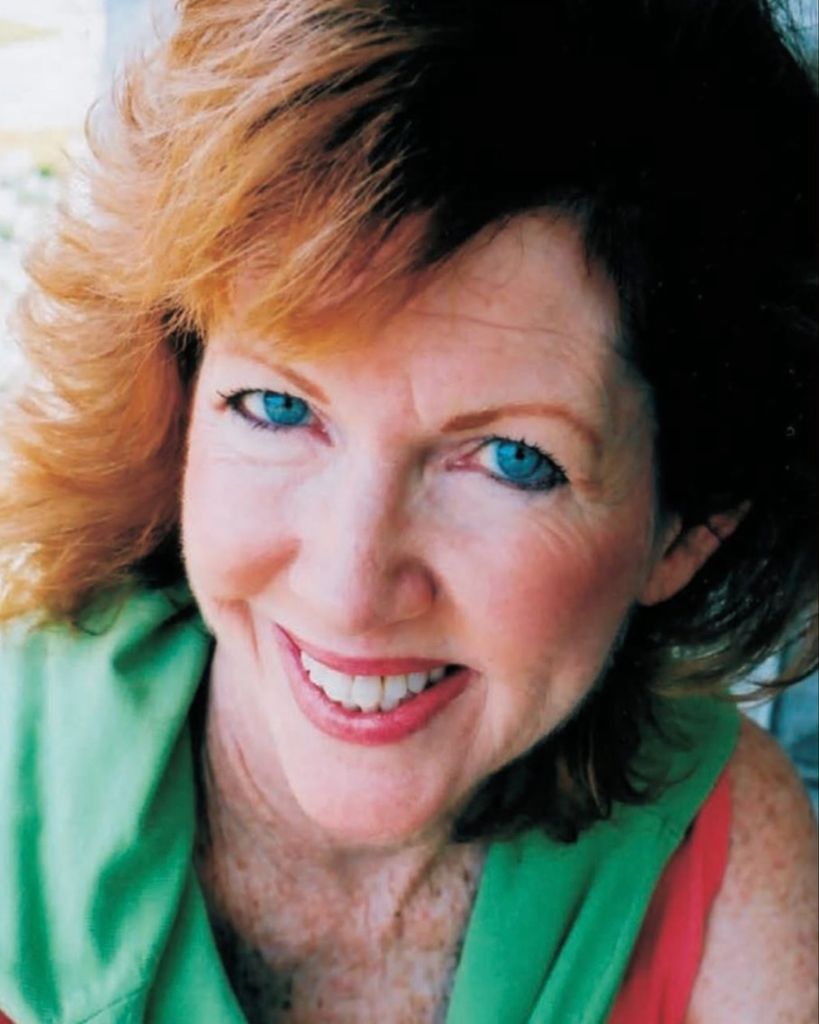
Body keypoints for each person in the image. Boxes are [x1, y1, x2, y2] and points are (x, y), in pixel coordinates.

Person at [0, 1, 816, 1021]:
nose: (348, 586)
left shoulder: (728, 850)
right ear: (180, 405)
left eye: (513, 460)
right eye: (277, 407)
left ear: (685, 532)